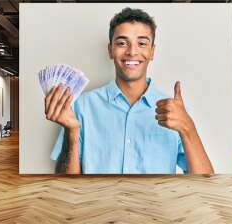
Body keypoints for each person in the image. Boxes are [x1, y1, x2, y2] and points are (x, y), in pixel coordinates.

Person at [45, 7, 213, 174]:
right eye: (122, 43)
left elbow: (205, 183)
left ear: (152, 51)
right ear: (110, 50)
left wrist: (187, 128)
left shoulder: (176, 112)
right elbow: (65, 181)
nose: (132, 52)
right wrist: (71, 132)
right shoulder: (81, 106)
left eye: (142, 43)